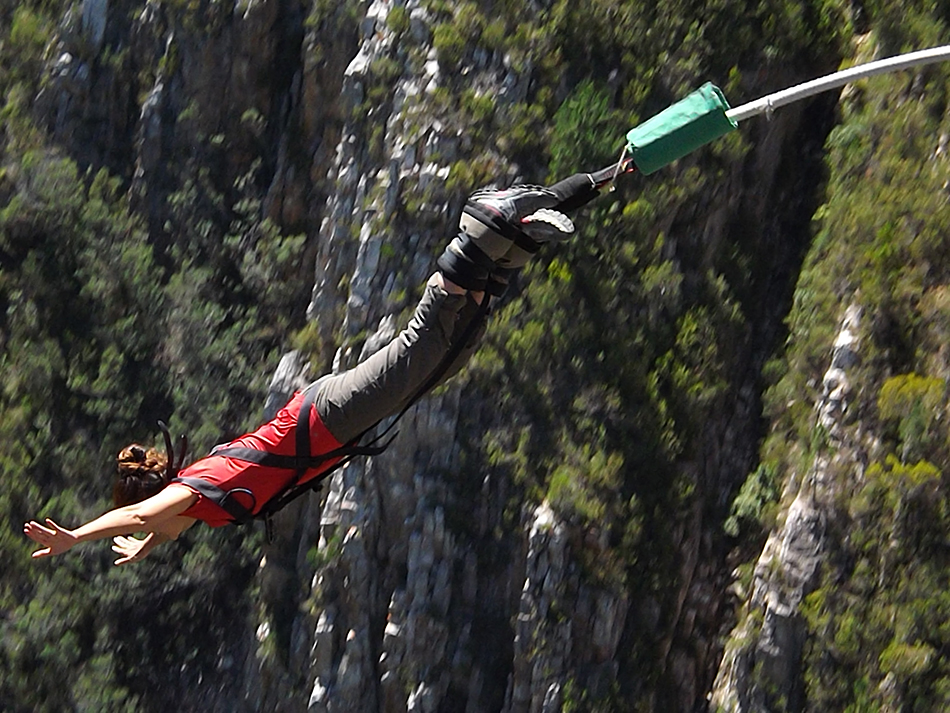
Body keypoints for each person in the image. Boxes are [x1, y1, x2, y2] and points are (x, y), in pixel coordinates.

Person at [23, 175, 601, 564]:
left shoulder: (189, 492)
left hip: (324, 419)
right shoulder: (192, 504)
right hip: (328, 423)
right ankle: (501, 253)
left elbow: (138, 512)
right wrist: (146, 542)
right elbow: (156, 521)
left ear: (155, 501)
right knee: (443, 365)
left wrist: (77, 536)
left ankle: (479, 228)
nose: (148, 530)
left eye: (148, 524)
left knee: (418, 353)